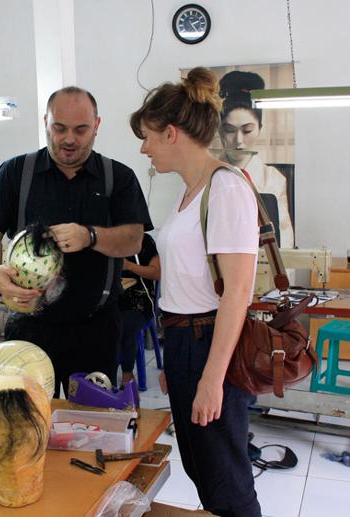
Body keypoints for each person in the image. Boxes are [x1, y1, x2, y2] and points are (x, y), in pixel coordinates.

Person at [130, 67, 261, 516]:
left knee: (226, 480)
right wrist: (174, 357)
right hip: (186, 342)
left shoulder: (225, 188)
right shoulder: (189, 193)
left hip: (211, 346)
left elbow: (237, 291)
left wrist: (210, 378)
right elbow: (185, 280)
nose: (144, 148)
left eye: (147, 136)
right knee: (202, 468)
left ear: (170, 133)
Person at [0, 86, 153, 397]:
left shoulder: (118, 178)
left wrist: (91, 235)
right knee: (28, 425)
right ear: (46, 122)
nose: (69, 139)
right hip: (29, 326)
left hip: (96, 330)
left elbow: (134, 240)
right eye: (59, 128)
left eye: (80, 129)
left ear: (96, 125)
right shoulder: (17, 172)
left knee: (89, 426)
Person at [218, 70, 294, 248]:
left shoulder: (273, 179)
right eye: (230, 130)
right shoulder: (209, 174)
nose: (238, 140)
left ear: (260, 128)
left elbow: (284, 243)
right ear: (220, 130)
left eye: (247, 130)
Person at [116, 233, 160, 386]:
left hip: (140, 301)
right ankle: (103, 371)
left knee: (126, 324)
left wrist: (129, 266)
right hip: (115, 298)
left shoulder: (145, 241)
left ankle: (127, 374)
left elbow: (156, 272)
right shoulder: (109, 241)